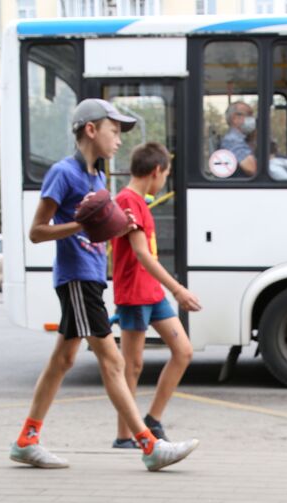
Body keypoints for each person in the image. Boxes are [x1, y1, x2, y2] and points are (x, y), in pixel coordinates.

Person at [10, 98, 198, 473]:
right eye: (114, 131)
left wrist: (113, 222)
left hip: (93, 278)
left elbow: (102, 230)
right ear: (91, 130)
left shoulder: (98, 178)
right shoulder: (64, 173)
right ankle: (148, 445)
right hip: (76, 276)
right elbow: (36, 232)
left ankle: (26, 440)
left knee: (62, 360)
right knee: (113, 361)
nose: (119, 140)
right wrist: (81, 225)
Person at [111, 142, 201, 450]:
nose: (166, 180)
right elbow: (141, 254)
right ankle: (125, 435)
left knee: (183, 351)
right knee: (132, 365)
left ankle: (152, 420)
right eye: (167, 173)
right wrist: (178, 289)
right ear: (155, 171)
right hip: (134, 294)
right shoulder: (126, 201)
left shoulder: (140, 200)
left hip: (152, 292)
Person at [218, 101, 258, 178]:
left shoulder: (244, 139)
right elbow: (252, 169)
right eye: (249, 115)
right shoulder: (232, 140)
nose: (253, 119)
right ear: (235, 118)